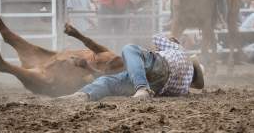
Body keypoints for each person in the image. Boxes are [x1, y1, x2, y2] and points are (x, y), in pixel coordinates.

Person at [58, 35, 205, 101]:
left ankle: (83, 95)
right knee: (111, 80)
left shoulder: (181, 51)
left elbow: (157, 39)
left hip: (159, 65)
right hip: (157, 85)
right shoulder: (184, 89)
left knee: (130, 49)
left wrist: (171, 39)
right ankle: (142, 88)